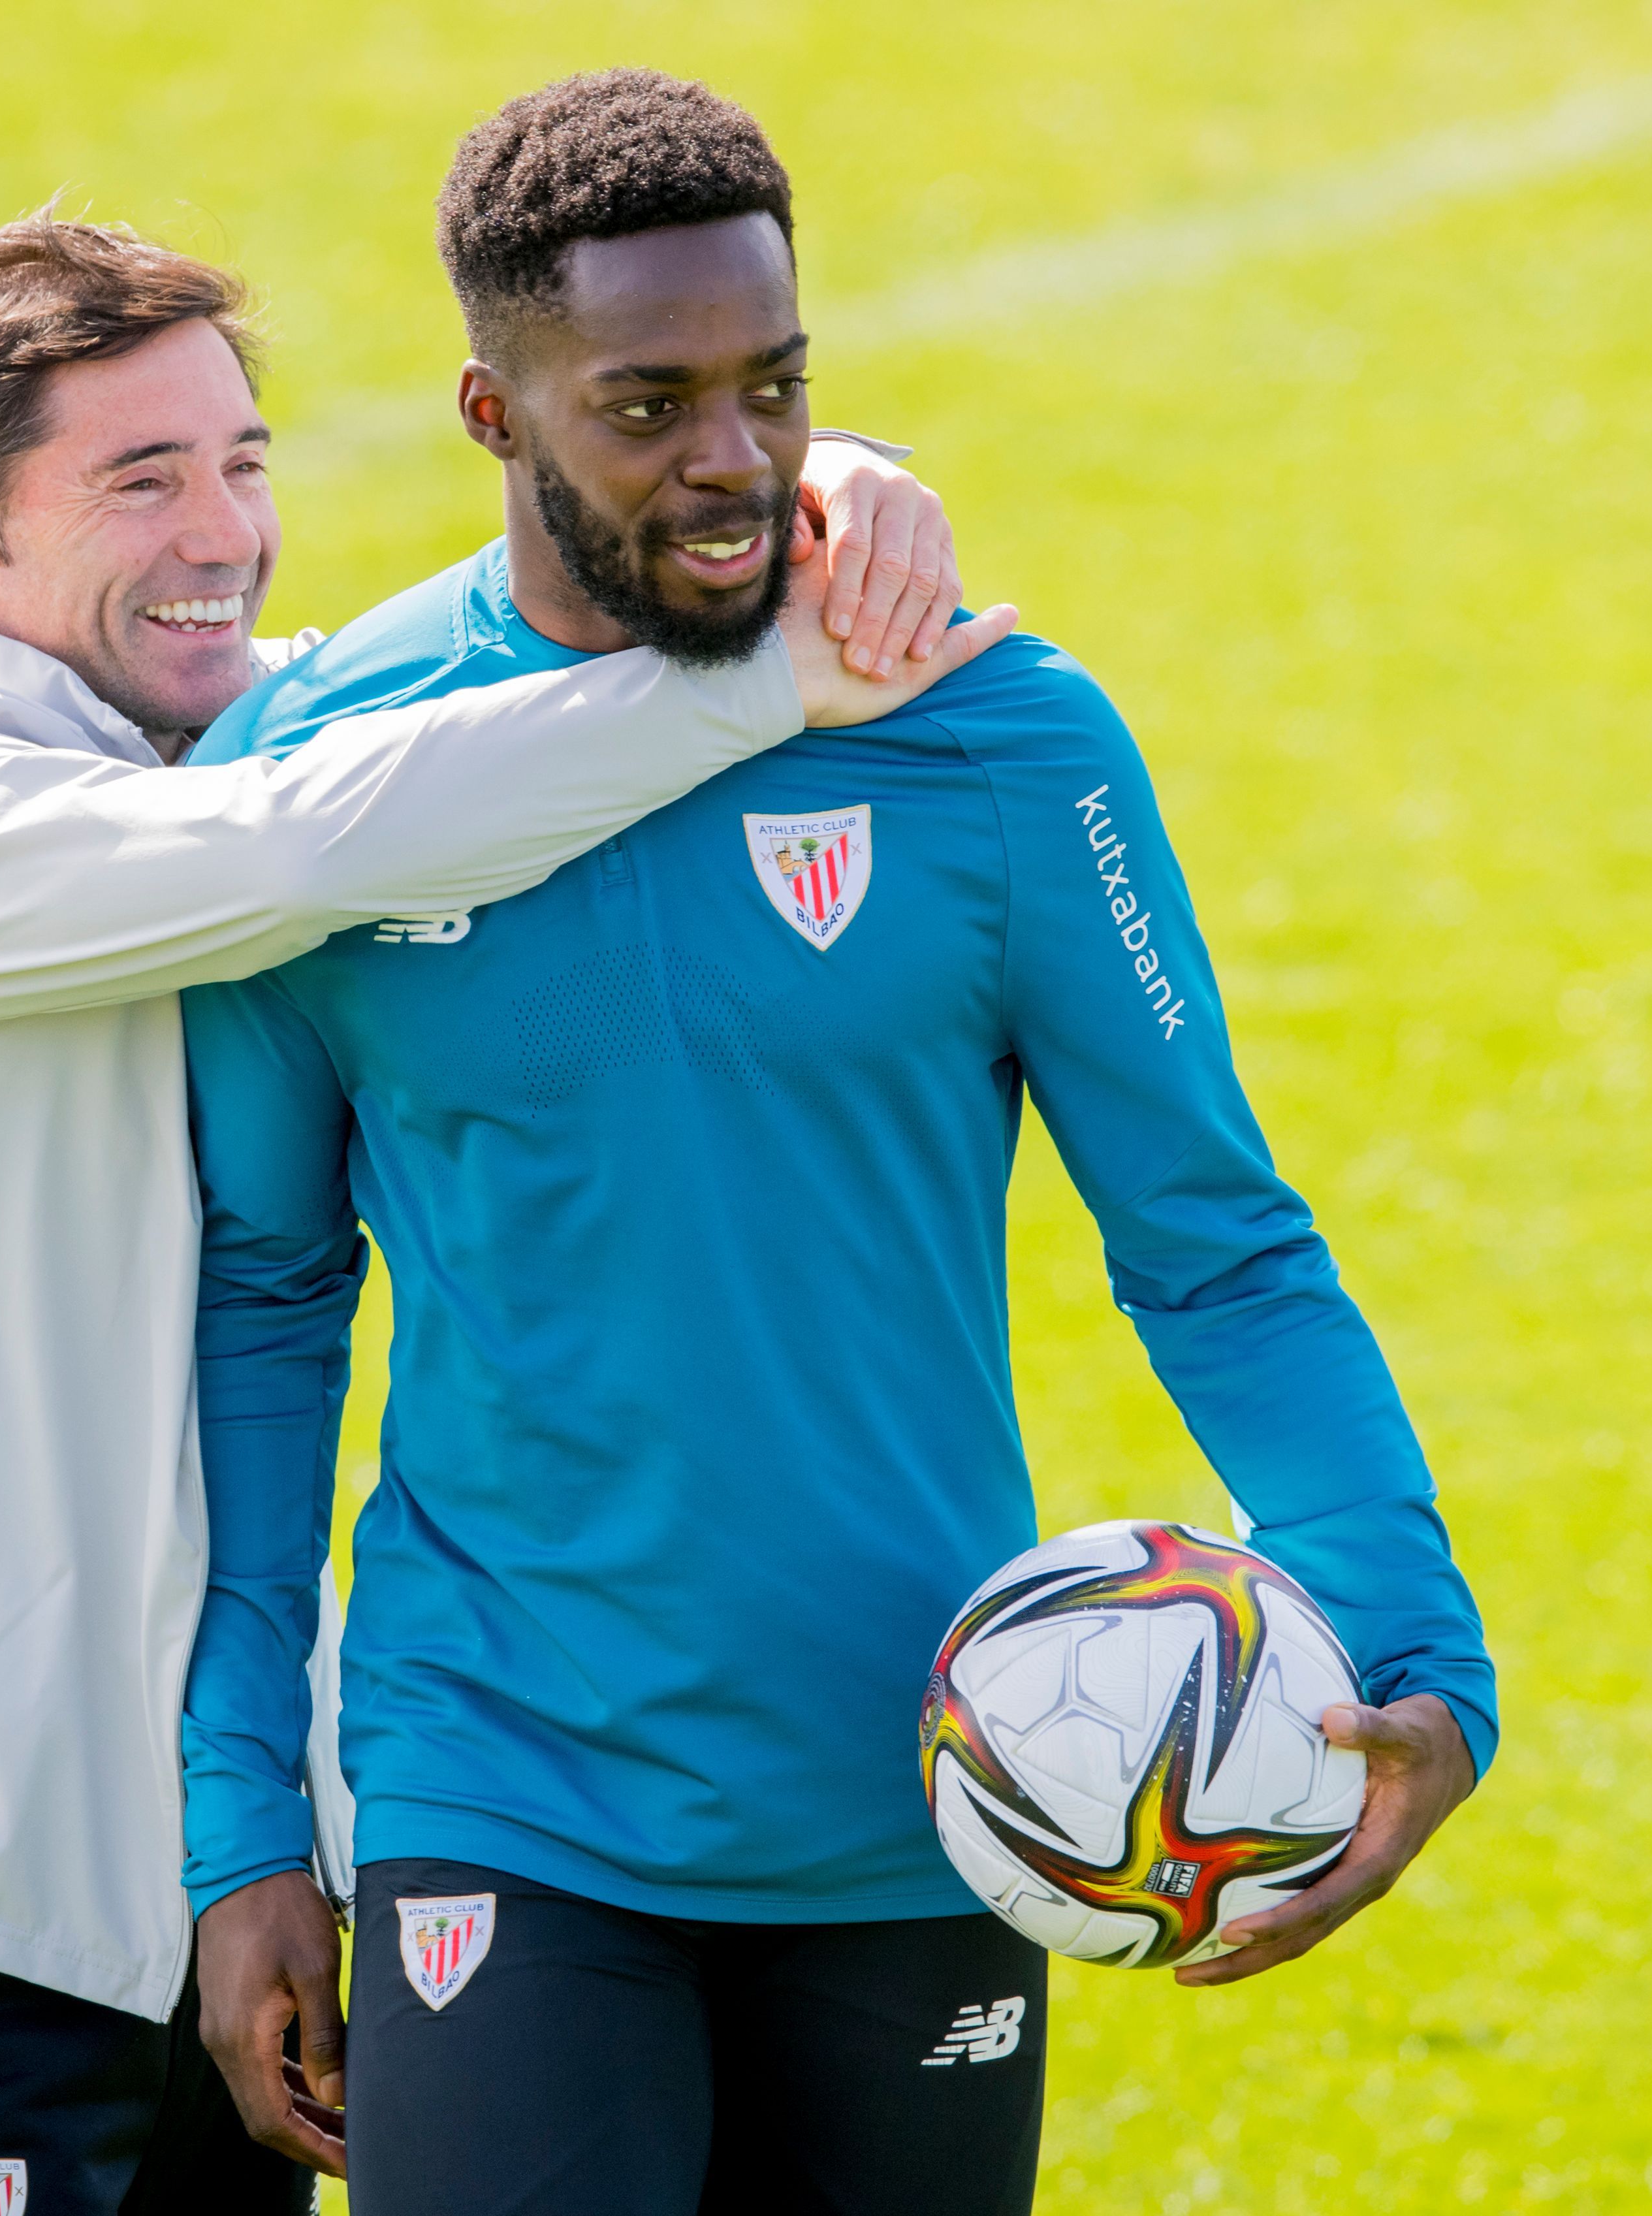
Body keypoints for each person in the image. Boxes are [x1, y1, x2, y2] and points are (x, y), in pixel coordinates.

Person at [177, 69, 1501, 2216]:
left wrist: (1407, 1638)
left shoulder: (995, 736)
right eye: (646, 402)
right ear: (491, 413)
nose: (731, 462)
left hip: (956, 1788)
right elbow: (261, 1306)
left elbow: (1213, 1241)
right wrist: (242, 1821)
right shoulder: (319, 776)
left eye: (775, 388)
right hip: (499, 1779)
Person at [0, 208, 1004, 2216]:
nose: (224, 529)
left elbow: (507, 657)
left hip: (246, 1882)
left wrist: (802, 485)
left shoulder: (262, 720)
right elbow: (307, 834)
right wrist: (771, 668)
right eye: (138, 478)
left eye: (243, 459)